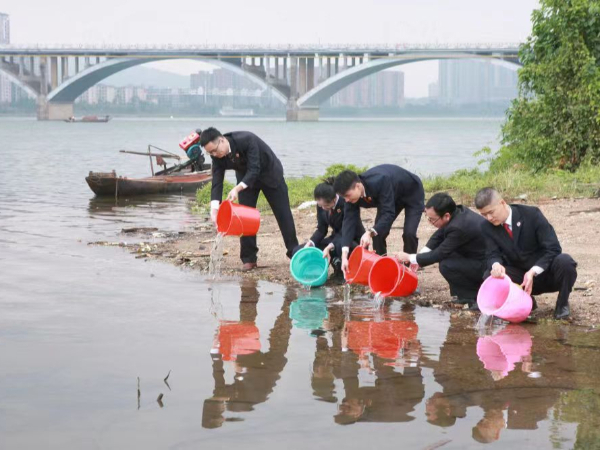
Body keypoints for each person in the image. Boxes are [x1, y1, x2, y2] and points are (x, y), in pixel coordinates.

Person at [200, 127, 298, 271]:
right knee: (244, 219)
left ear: (221, 140)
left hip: (270, 174)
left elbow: (255, 169)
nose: (214, 154)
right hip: (245, 180)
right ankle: (249, 258)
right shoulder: (216, 156)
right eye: (210, 153)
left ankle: (294, 253)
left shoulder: (246, 139)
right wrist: (214, 210)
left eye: (215, 150)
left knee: (283, 214)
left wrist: (237, 189)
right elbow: (217, 182)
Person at [474, 187, 577, 319]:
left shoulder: (531, 214)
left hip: (545, 273)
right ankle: (523, 302)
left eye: (491, 212)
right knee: (490, 274)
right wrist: (495, 265)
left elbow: (553, 248)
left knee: (565, 261)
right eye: (483, 215)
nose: (488, 218)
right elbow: (491, 253)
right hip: (520, 278)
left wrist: (533, 271)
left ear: (502, 203)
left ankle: (562, 304)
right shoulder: (486, 226)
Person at [395, 193, 487, 308]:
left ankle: (473, 297)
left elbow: (438, 254)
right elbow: (438, 235)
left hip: (486, 266)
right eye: (427, 218)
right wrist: (420, 256)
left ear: (446, 216)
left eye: (432, 220)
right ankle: (464, 295)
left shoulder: (458, 227)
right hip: (474, 256)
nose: (430, 222)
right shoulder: (458, 212)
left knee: (446, 265)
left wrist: (409, 257)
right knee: (449, 257)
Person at [333, 165, 425, 273]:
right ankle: (383, 267)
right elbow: (348, 222)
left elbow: (388, 213)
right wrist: (344, 256)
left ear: (358, 186)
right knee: (378, 233)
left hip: (411, 192)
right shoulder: (350, 198)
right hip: (389, 198)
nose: (346, 200)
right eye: (344, 197)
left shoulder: (380, 180)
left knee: (409, 233)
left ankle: (409, 267)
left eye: (348, 195)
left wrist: (369, 232)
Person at [294, 177, 365, 281]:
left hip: (351, 240)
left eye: (326, 206)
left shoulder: (346, 203)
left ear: (334, 199)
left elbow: (346, 232)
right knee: (299, 250)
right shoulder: (321, 205)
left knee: (338, 245)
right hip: (336, 237)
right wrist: (310, 243)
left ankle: (342, 271)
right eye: (320, 205)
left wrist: (330, 246)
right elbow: (322, 229)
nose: (323, 208)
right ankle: (317, 272)